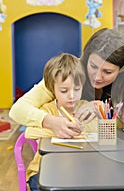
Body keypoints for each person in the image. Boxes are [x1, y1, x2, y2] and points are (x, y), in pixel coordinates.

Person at [9, 28, 124, 138]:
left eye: (107, 72)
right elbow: (18, 110)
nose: (97, 77)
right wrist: (51, 122)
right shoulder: (70, 73)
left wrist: (102, 111)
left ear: (122, 70)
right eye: (92, 66)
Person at [25, 53, 97, 191]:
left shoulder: (85, 107)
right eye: (64, 90)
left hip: (79, 168)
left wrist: (84, 128)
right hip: (44, 170)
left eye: (77, 89)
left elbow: (96, 133)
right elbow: (30, 132)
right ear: (53, 89)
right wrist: (57, 129)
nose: (71, 96)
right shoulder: (47, 110)